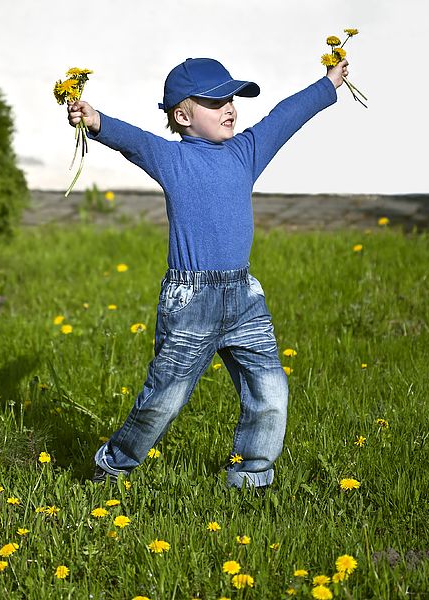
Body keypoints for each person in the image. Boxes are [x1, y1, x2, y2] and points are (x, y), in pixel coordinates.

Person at [67, 55, 349, 489]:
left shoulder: (246, 152)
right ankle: (114, 463)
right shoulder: (171, 159)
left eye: (232, 99)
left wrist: (327, 84)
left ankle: (252, 476)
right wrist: (96, 119)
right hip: (191, 304)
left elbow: (285, 117)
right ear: (183, 115)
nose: (230, 108)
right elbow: (135, 141)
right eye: (216, 102)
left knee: (270, 392)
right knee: (164, 398)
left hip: (244, 299)